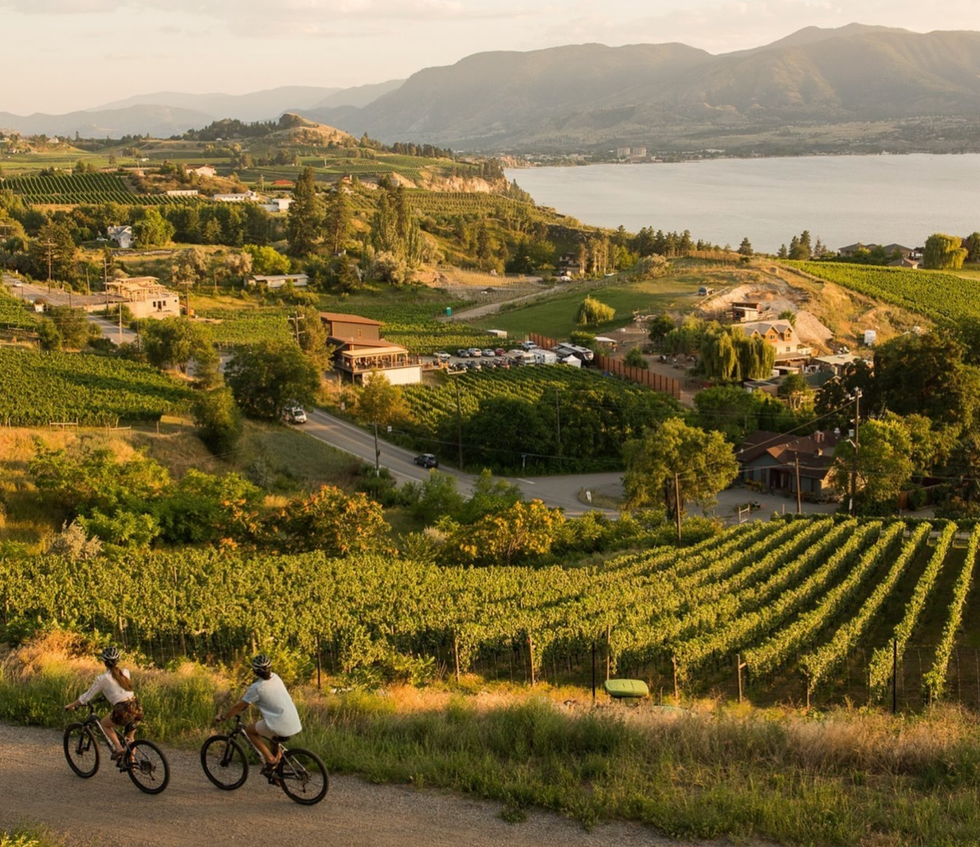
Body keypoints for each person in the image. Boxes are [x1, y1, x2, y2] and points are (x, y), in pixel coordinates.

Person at [215, 654, 302, 777]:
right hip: (294, 721)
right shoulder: (276, 677)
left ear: (254, 671)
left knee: (250, 731)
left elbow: (240, 706)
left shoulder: (256, 688)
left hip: (279, 724)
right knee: (272, 738)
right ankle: (277, 769)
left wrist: (223, 716)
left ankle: (271, 760)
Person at [65, 646, 143, 766]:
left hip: (123, 709)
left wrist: (71, 705)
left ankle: (119, 748)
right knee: (130, 739)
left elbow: (86, 697)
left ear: (104, 662)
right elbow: (119, 691)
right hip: (136, 706)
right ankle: (132, 765)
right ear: (118, 660)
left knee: (104, 724)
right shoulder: (125, 672)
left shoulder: (102, 679)